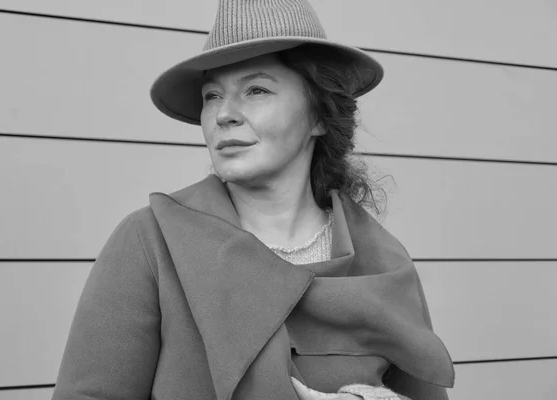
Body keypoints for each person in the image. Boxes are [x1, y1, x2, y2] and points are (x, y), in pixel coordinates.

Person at [53, 1, 455, 399]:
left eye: (256, 89)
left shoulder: (383, 259)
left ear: (319, 115)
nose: (223, 114)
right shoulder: (150, 242)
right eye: (212, 96)